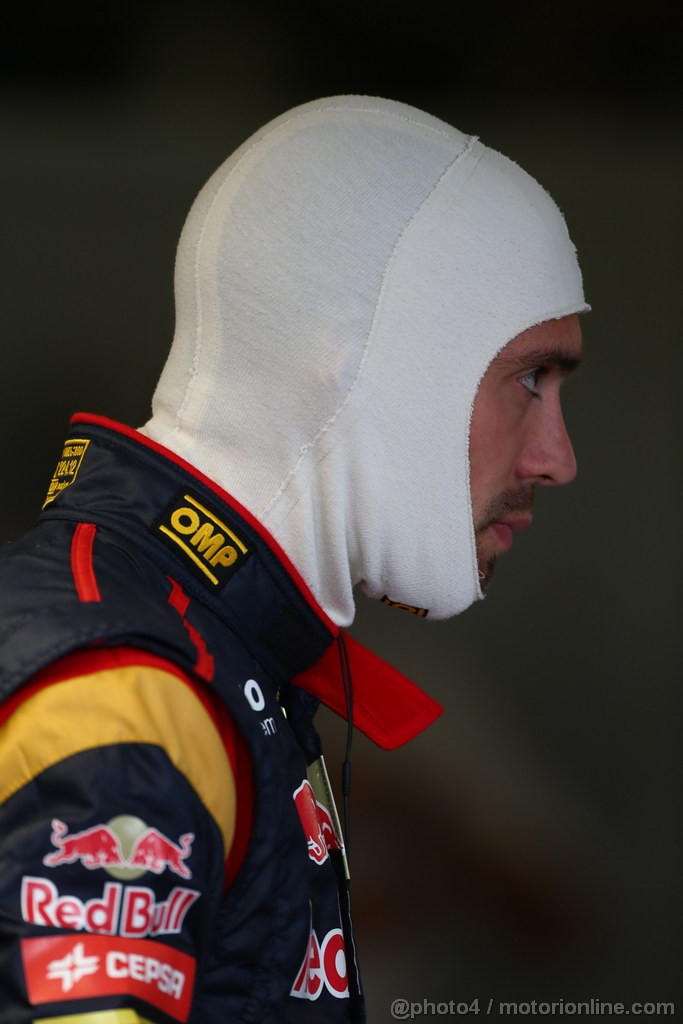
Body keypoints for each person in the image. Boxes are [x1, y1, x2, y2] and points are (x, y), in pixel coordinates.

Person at [0, 96, 587, 1023]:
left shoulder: (216, 648)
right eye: (529, 378)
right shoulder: (131, 688)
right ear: (356, 364)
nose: (557, 456)